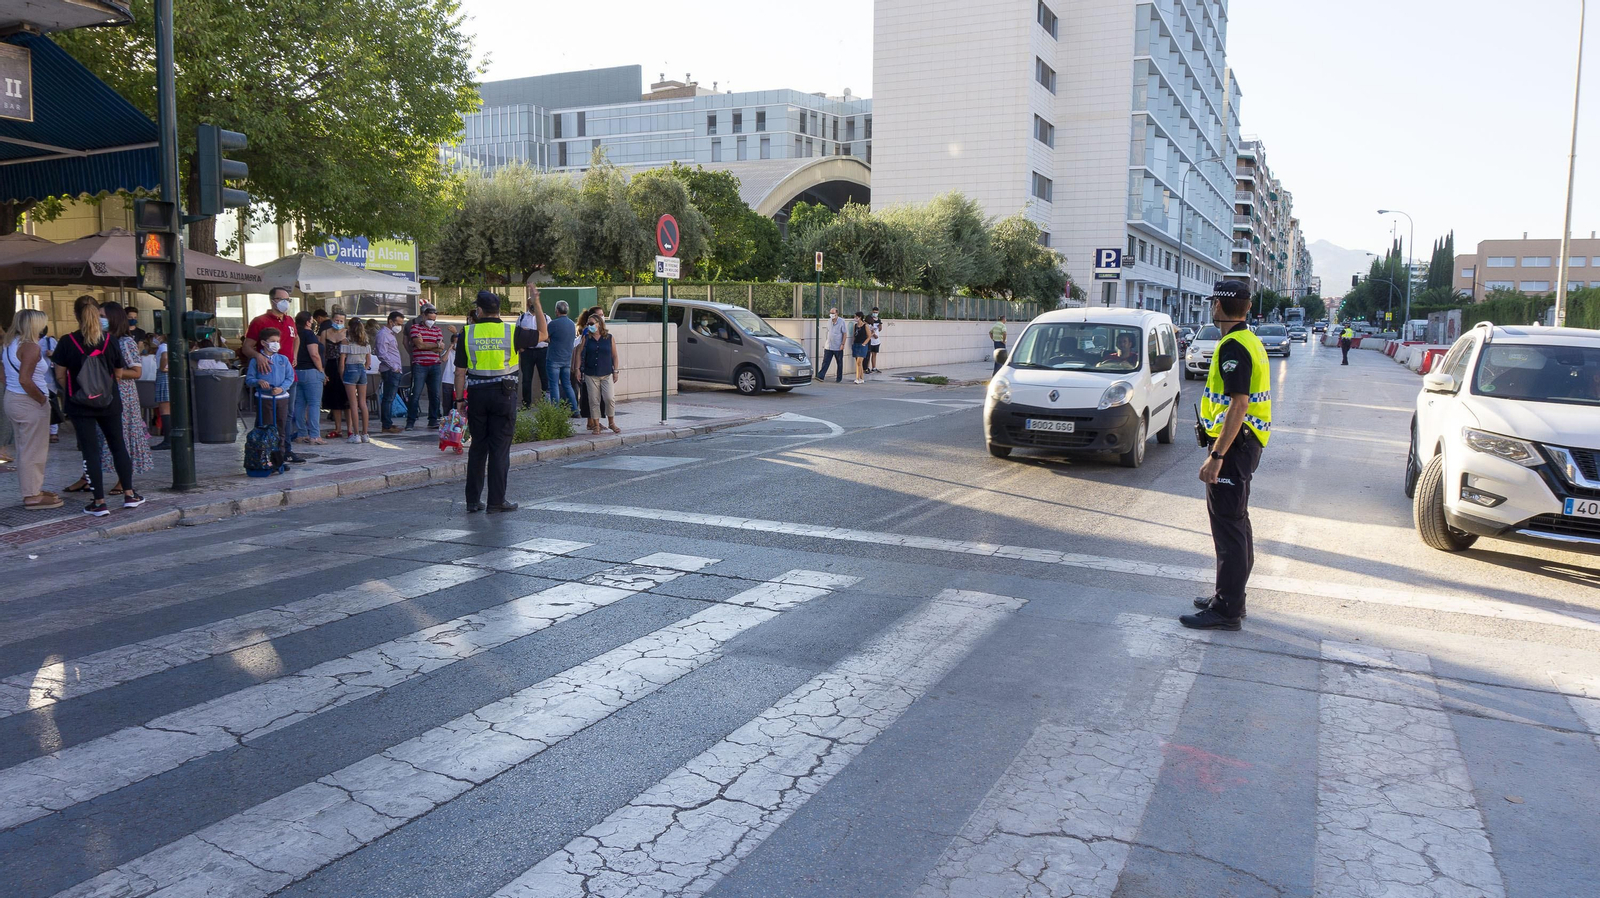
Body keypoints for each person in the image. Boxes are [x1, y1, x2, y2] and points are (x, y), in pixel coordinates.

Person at [1182, 280, 1271, 632]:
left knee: (1229, 528)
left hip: (1234, 446)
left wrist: (1217, 454)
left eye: (1213, 303)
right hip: (1247, 443)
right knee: (1237, 521)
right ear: (1247, 308)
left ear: (1217, 306)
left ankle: (1227, 609)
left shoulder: (1233, 345)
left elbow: (1240, 402)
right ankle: (1232, 597)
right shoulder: (1250, 340)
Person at [53, 296, 142, 516]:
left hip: (79, 403)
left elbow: (60, 375)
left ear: (76, 316)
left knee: (90, 451)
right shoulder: (110, 340)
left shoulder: (66, 341)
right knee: (118, 446)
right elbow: (119, 373)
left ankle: (99, 502)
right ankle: (129, 494)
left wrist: (76, 390)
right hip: (109, 401)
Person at [455, 291, 520, 513]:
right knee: (500, 450)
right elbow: (542, 334)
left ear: (479, 311)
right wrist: (537, 303)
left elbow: (459, 372)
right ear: (499, 310)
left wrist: (459, 399)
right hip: (504, 396)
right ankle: (496, 502)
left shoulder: (468, 333)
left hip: (477, 396)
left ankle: (472, 501)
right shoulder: (511, 331)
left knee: (478, 448)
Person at [2, 310, 61, 509]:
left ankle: (32, 490)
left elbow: (4, 372)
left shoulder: (10, 343)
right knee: (33, 450)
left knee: (24, 448)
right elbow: (25, 380)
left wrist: (13, 388)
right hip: (29, 402)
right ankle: (32, 495)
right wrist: (42, 400)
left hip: (13, 398)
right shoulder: (31, 347)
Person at [242, 287, 304, 462]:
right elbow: (247, 347)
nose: (285, 302)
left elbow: (296, 338)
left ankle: (284, 450)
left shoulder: (290, 320)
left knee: (287, 414)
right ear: (273, 300)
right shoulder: (260, 321)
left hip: (288, 376)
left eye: (288, 299)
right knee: (266, 417)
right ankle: (264, 449)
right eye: (281, 299)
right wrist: (258, 356)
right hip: (268, 376)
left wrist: (295, 356)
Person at [247, 326, 294, 467]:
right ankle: (265, 459)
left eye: (277, 341)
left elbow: (290, 377)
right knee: (266, 428)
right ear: (263, 343)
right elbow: (249, 379)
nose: (276, 344)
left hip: (281, 398)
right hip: (264, 399)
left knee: (281, 428)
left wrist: (281, 388)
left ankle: (279, 458)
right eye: (272, 341)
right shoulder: (256, 361)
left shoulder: (283, 359)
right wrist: (259, 382)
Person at [577, 306, 621, 435]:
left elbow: (615, 355)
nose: (589, 326)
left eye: (592, 324)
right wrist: (577, 369)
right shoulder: (587, 338)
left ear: (599, 324)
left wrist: (616, 371)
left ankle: (611, 422)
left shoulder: (609, 338)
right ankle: (595, 425)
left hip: (606, 372)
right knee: (593, 400)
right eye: (588, 324)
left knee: (609, 398)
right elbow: (579, 353)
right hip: (591, 374)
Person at [407, 304, 446, 431]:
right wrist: (435, 345)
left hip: (434, 365)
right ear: (423, 316)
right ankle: (410, 421)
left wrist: (428, 345)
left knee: (435, 394)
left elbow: (441, 348)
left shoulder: (437, 330)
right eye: (430, 318)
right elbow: (419, 346)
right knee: (415, 393)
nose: (432, 322)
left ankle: (433, 419)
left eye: (434, 319)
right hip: (419, 365)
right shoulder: (414, 328)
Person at [292, 310, 326, 445]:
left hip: (297, 371)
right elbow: (314, 354)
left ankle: (301, 434)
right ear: (308, 322)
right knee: (314, 404)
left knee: (299, 404)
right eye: (312, 321)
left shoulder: (295, 334)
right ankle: (314, 435)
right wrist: (321, 371)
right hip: (311, 372)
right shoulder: (309, 334)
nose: (313, 323)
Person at [515, 289, 550, 408]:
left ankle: (546, 403)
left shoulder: (546, 318)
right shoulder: (522, 318)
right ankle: (526, 403)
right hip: (527, 352)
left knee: (545, 378)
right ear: (528, 305)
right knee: (526, 379)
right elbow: (517, 335)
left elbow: (549, 334)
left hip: (543, 351)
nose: (533, 306)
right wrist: (520, 348)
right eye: (531, 304)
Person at [341, 315, 373, 443]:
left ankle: (356, 434)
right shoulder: (366, 342)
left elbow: (342, 361)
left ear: (349, 327)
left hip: (350, 369)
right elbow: (368, 361)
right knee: (363, 403)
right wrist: (363, 368)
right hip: (361, 369)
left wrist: (342, 374)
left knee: (353, 404)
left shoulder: (346, 341)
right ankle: (365, 434)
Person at [544, 300, 579, 412]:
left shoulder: (553, 324)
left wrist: (551, 341)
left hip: (554, 358)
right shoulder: (571, 324)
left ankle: (555, 410)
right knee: (567, 384)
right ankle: (575, 409)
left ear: (557, 310)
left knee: (554, 385)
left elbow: (545, 336)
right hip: (567, 359)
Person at [374, 311, 405, 434]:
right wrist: (394, 367)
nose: (399, 326)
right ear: (390, 322)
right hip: (390, 370)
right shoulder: (383, 335)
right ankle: (386, 425)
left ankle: (388, 423)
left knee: (390, 398)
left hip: (393, 369)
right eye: (398, 323)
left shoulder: (390, 335)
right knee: (388, 398)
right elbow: (382, 353)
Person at [320, 312, 351, 438]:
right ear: (332, 320)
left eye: (341, 321)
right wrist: (322, 369)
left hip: (346, 366)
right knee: (334, 399)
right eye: (336, 320)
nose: (338, 323)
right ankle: (337, 428)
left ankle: (350, 429)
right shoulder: (325, 333)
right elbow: (322, 352)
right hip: (331, 366)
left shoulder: (348, 333)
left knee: (347, 399)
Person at [816, 307, 849, 383]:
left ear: (837, 313)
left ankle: (839, 378)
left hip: (838, 346)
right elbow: (827, 332)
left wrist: (842, 344)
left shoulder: (841, 322)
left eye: (833, 313)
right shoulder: (829, 321)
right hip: (829, 345)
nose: (831, 314)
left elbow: (844, 333)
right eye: (830, 313)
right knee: (825, 361)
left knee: (839, 362)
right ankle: (821, 376)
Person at [851, 311, 871, 384]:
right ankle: (862, 378)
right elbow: (854, 335)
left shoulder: (865, 326)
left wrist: (864, 344)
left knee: (859, 362)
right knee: (858, 363)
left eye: (856, 317)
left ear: (859, 317)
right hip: (856, 344)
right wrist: (853, 343)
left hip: (862, 345)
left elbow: (869, 336)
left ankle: (857, 378)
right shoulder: (855, 326)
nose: (855, 318)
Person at [867, 308, 883, 373]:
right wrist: (873, 334)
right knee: (869, 354)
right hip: (871, 339)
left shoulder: (878, 320)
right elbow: (869, 328)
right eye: (874, 312)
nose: (875, 313)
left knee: (874, 354)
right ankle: (867, 367)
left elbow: (880, 328)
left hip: (877, 341)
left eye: (876, 312)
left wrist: (880, 326)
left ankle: (874, 367)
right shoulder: (869, 319)